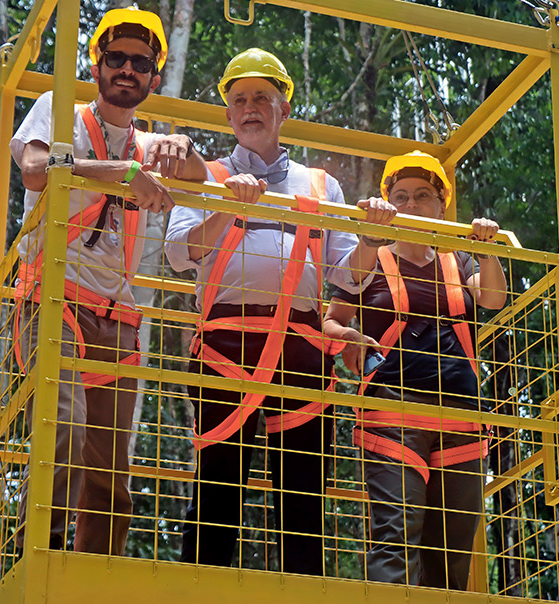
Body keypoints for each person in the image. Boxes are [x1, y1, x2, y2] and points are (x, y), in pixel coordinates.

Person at [164, 48, 397, 575]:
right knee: (218, 492)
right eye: (240, 99)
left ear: (283, 109)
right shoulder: (208, 175)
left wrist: (372, 238)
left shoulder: (321, 186)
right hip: (228, 347)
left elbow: (349, 275)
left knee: (303, 499)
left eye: (262, 98)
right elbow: (179, 254)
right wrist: (228, 204)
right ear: (227, 114)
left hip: (303, 351)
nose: (250, 108)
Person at [9, 7, 206, 554]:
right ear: (96, 64)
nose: (126, 69)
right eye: (115, 58)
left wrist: (185, 153)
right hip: (56, 300)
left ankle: (92, 578)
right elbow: (33, 166)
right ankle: (40, 563)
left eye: (139, 62)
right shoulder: (59, 111)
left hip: (118, 321)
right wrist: (116, 174)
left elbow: (211, 178)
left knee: (110, 475)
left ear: (154, 76)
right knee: (63, 433)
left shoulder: (154, 149)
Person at [322, 150, 507, 588]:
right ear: (388, 201)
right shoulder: (371, 257)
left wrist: (485, 251)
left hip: (460, 414)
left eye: (423, 195)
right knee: (395, 534)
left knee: (453, 547)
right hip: (393, 411)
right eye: (400, 195)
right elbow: (331, 320)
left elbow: (493, 298)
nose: (410, 204)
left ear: (441, 204)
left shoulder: (457, 262)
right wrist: (349, 338)